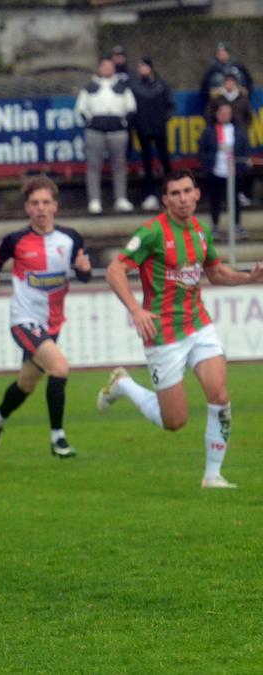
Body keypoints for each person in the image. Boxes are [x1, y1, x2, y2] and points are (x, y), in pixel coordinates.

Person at [99, 169, 263, 488]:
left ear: (197, 193)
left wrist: (248, 278)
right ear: (165, 199)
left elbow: (214, 272)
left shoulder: (201, 231)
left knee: (220, 394)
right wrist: (136, 309)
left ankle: (213, 475)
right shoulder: (152, 233)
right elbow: (114, 270)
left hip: (198, 325)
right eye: (175, 193)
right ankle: (123, 385)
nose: (183, 198)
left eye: (187, 191)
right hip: (163, 335)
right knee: (174, 421)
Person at [0, 176, 92, 459]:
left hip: (52, 323)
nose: (41, 208)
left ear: (55, 206)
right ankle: (58, 438)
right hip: (24, 320)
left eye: (45, 202)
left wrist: (83, 268)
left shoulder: (70, 239)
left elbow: (84, 275)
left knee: (26, 383)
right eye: (34, 203)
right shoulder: (16, 240)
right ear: (27, 208)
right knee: (60, 368)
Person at [76, 57, 137, 214]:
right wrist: (90, 123)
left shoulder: (123, 87)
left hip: (117, 131)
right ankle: (95, 200)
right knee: (94, 166)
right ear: (99, 68)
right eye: (105, 66)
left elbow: (131, 108)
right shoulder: (89, 87)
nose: (108, 69)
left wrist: (123, 123)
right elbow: (81, 109)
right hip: (95, 131)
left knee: (119, 166)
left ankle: (121, 199)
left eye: (111, 67)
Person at [198, 102, 251, 240]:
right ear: (217, 114)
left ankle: (237, 225)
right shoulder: (209, 131)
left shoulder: (238, 130)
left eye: (228, 113)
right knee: (215, 200)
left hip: (233, 171)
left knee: (235, 201)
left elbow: (245, 148)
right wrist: (207, 166)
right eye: (222, 113)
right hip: (216, 170)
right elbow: (202, 150)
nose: (225, 116)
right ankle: (215, 225)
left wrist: (242, 166)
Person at [129, 57, 174, 211]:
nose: (142, 70)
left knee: (165, 162)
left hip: (159, 129)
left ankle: (170, 192)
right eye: (140, 67)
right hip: (142, 130)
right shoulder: (134, 87)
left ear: (151, 68)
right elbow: (131, 108)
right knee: (147, 164)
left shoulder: (162, 85)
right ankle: (150, 195)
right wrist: (137, 123)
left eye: (144, 67)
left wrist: (163, 120)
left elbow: (170, 106)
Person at [199, 42, 254, 115]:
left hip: (237, 100)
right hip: (219, 101)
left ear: (229, 53)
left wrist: (245, 91)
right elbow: (203, 86)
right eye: (219, 53)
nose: (222, 55)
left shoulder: (238, 66)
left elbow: (249, 81)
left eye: (224, 52)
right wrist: (210, 95)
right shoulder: (212, 69)